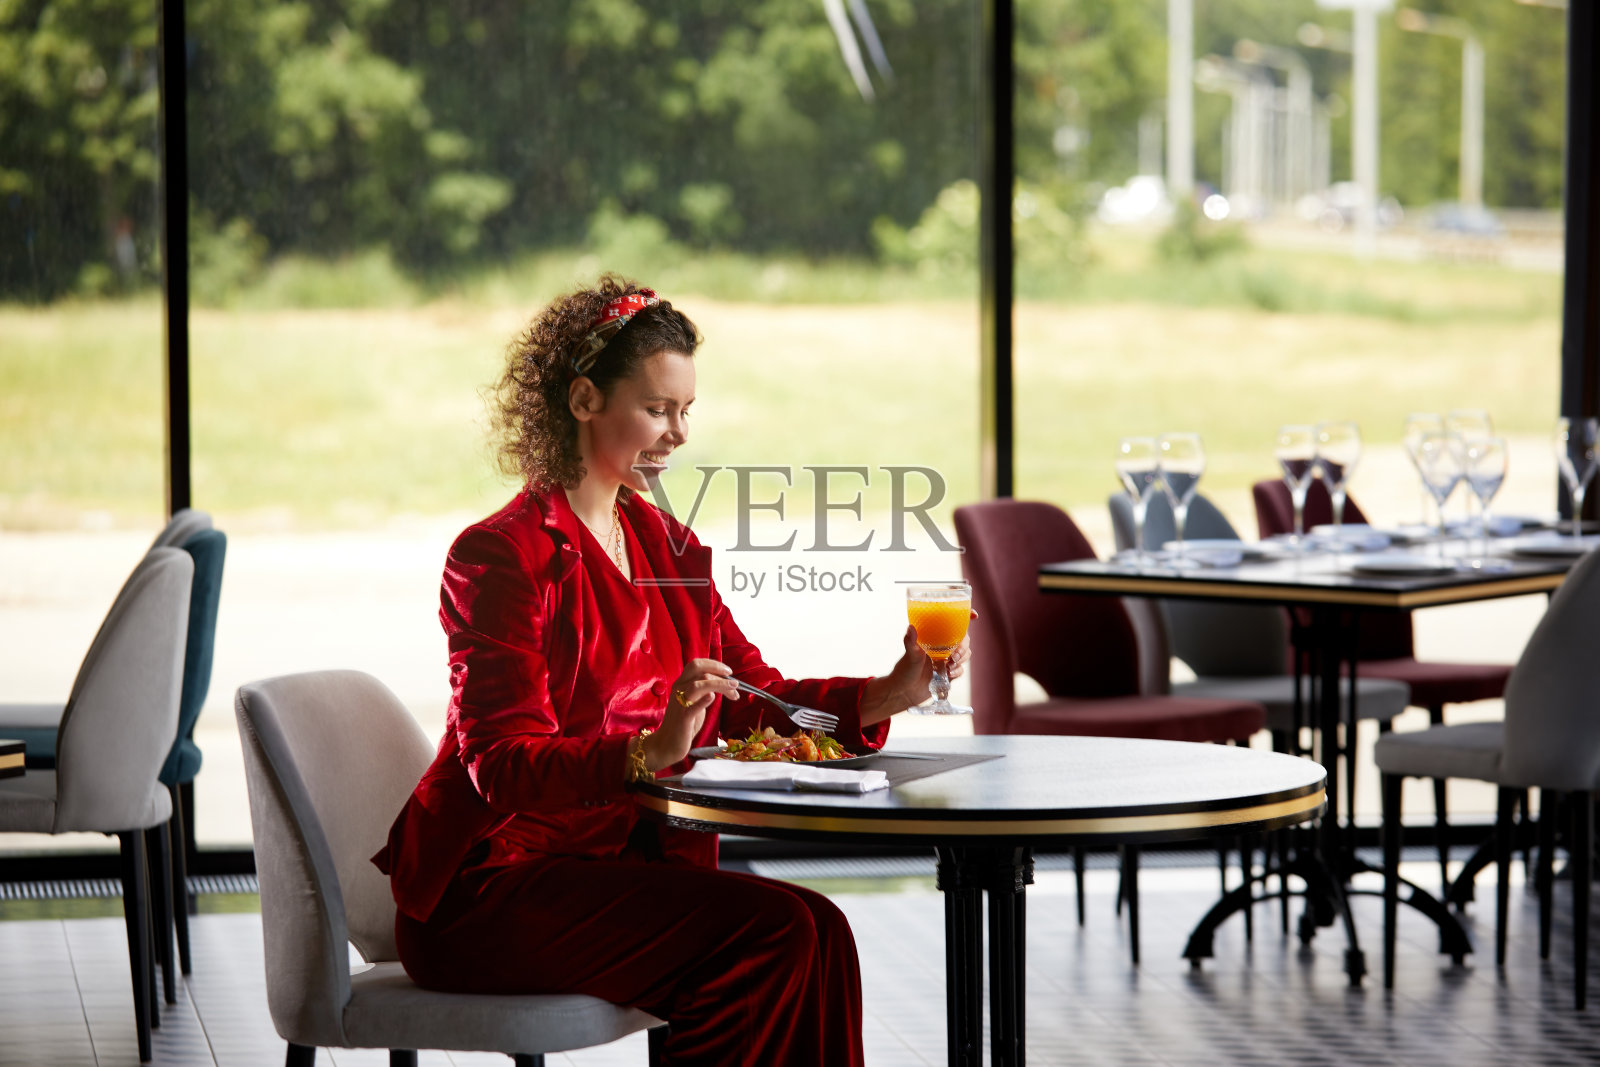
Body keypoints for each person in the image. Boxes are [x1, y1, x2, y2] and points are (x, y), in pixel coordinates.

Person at [372, 276, 971, 1065]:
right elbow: (499, 764)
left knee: (819, 927)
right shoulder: (501, 556)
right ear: (584, 400)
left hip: (613, 867)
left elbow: (752, 695)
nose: (679, 433)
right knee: (776, 936)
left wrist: (889, 690)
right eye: (658, 409)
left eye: (686, 410)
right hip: (493, 887)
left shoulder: (665, 547)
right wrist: (646, 754)